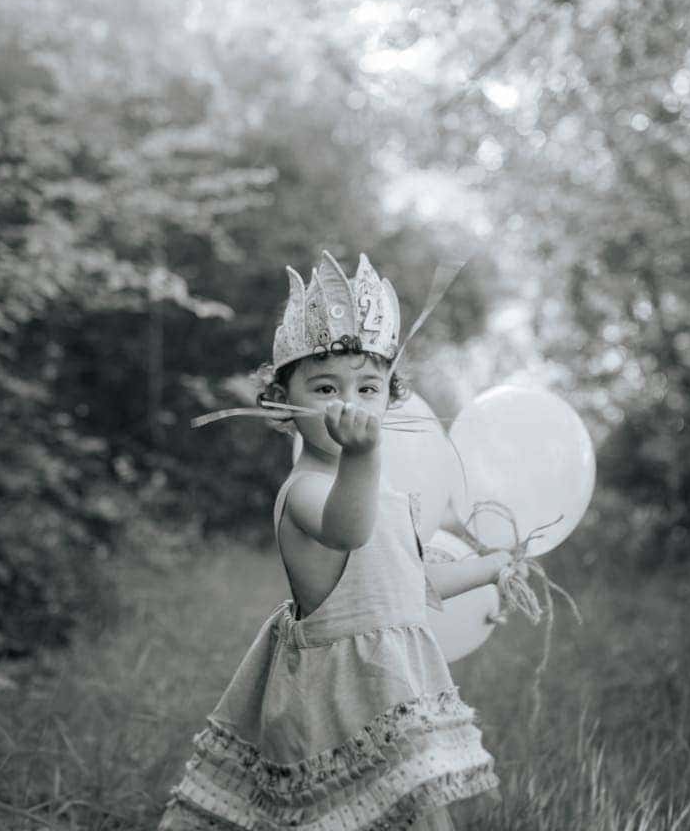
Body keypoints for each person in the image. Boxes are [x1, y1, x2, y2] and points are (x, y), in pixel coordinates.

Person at [159, 250, 511, 831]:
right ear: (280, 404)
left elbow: (411, 582)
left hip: (395, 688)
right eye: (325, 387)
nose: (350, 404)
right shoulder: (307, 490)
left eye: (368, 388)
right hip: (340, 696)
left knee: (422, 816)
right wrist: (364, 456)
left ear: (391, 398)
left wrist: (492, 569)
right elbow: (349, 529)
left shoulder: (383, 494)